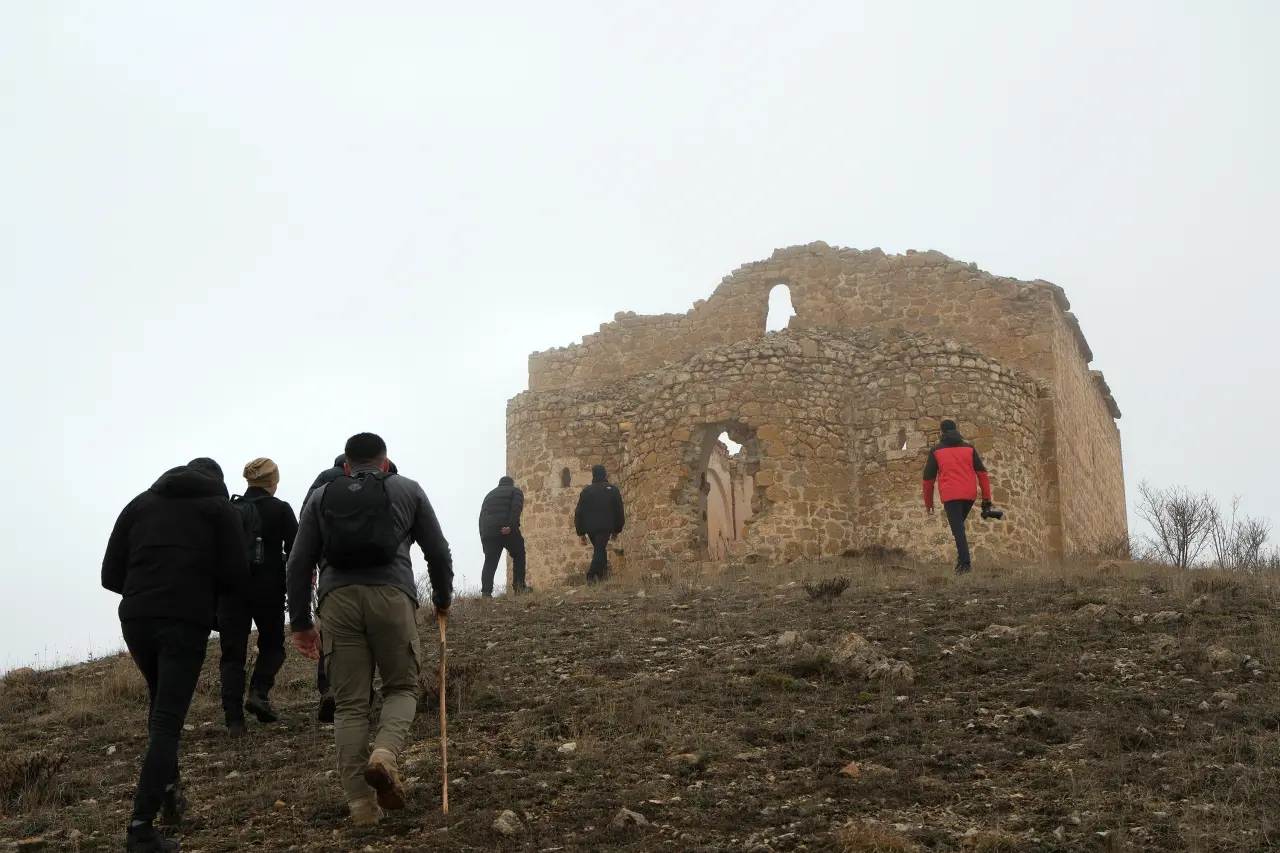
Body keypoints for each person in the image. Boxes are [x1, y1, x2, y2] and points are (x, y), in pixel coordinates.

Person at [286, 433, 453, 827]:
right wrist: (442, 599)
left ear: (346, 465)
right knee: (402, 687)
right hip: (392, 596)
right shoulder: (407, 489)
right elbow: (437, 550)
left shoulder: (321, 496)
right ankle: (385, 754)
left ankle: (362, 808)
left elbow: (297, 563)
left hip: (337, 601)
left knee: (350, 705)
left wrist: (300, 623)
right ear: (384, 461)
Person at [101, 458, 250, 853]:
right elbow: (237, 574)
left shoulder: (139, 504)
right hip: (184, 621)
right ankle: (140, 829)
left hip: (135, 619)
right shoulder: (219, 508)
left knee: (159, 704)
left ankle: (169, 791)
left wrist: (146, 594)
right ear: (217, 481)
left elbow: (109, 575)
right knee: (168, 720)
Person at [305, 454, 399, 723]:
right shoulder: (385, 480)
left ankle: (331, 688)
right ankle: (365, 690)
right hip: (379, 569)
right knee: (372, 628)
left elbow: (307, 521)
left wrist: (313, 563)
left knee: (335, 629)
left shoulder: (324, 482)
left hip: (334, 567)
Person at [217, 458, 298, 736]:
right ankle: (259, 692)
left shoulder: (229, 510)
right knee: (274, 646)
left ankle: (234, 721)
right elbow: (298, 551)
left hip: (231, 591)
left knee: (232, 656)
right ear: (272, 482)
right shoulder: (281, 509)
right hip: (269, 590)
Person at [922, 419, 994, 574]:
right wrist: (986, 497)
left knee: (958, 529)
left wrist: (928, 503)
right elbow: (982, 474)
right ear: (956, 430)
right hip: (969, 495)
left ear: (941, 432)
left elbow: (928, 480)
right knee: (958, 527)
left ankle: (965, 565)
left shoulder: (936, 450)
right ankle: (961, 562)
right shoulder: (969, 448)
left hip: (951, 495)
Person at [574, 464, 625, 583]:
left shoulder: (586, 491)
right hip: (605, 526)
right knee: (600, 549)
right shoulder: (612, 490)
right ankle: (592, 575)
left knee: (600, 549)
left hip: (590, 528)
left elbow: (579, 512)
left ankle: (602, 578)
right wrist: (617, 529)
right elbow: (619, 510)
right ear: (605, 474)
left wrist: (581, 532)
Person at [478, 475, 528, 597]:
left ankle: (486, 592)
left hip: (489, 532)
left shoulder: (489, 495)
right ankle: (519, 587)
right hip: (506, 529)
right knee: (519, 554)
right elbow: (516, 509)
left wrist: (484, 536)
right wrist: (510, 526)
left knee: (490, 561)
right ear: (511, 483)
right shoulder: (515, 491)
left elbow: (482, 517)